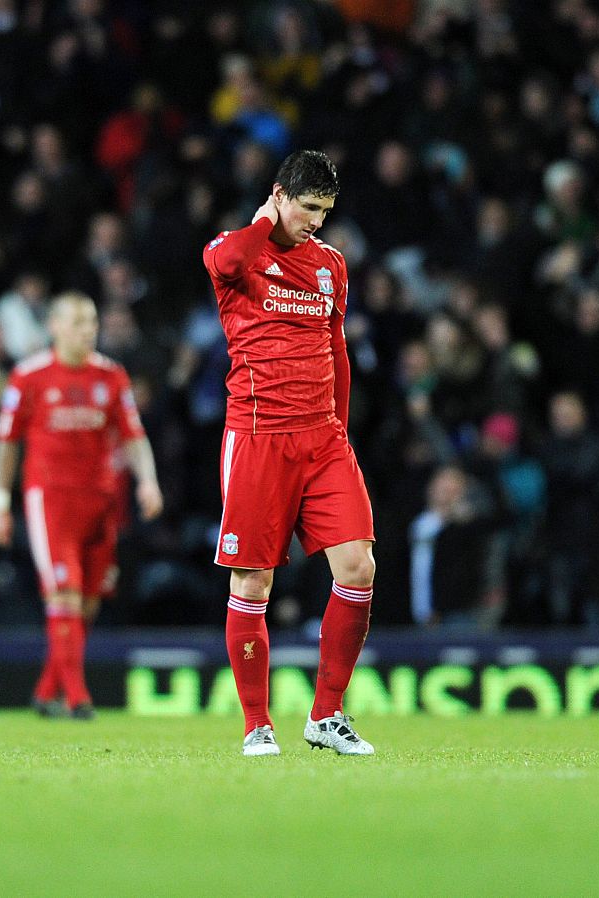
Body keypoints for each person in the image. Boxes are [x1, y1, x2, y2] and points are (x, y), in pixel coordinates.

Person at [201, 150, 377, 756]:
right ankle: (257, 723)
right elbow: (225, 260)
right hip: (258, 435)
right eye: (308, 207)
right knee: (254, 584)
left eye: (325, 211)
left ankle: (326, 715)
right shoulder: (238, 251)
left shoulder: (331, 266)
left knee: (359, 568)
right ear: (279, 195)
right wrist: (263, 223)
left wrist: (342, 430)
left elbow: (337, 354)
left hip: (323, 438)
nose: (317, 222)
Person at [0, 292, 163, 720]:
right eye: (79, 322)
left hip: (100, 504)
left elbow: (133, 435)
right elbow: (6, 443)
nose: (89, 331)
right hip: (50, 501)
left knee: (86, 603)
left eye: (92, 322)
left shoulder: (111, 375)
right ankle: (78, 697)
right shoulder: (29, 376)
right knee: (63, 593)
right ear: (55, 327)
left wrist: (148, 481)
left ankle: (46, 690)